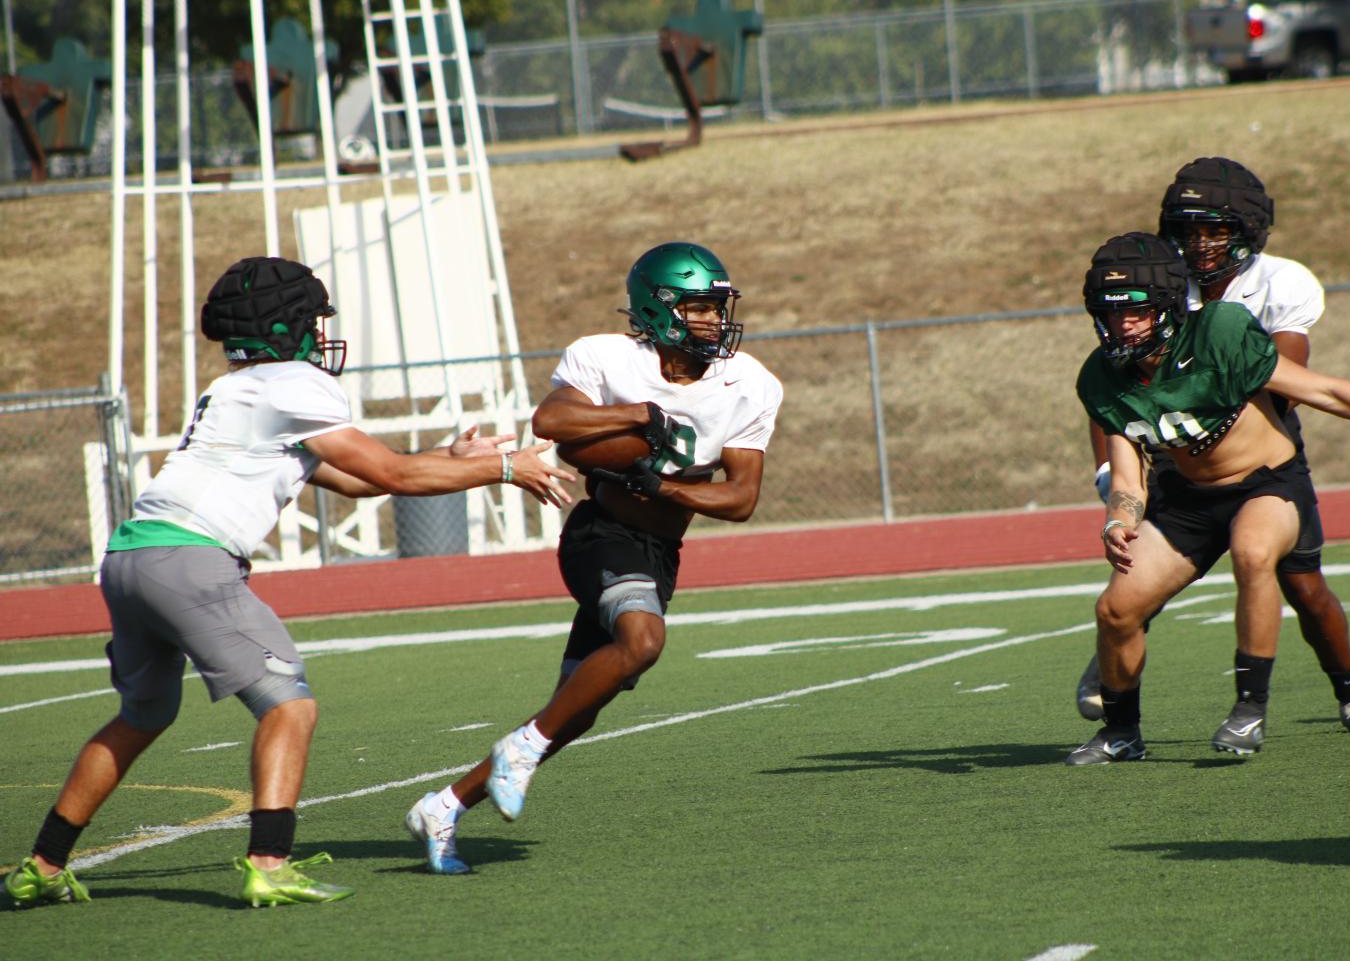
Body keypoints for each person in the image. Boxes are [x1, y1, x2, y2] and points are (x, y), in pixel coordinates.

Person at [3, 256, 574, 907]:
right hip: (192, 558)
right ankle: (270, 862)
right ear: (288, 326)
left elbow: (358, 478)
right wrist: (504, 466)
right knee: (288, 704)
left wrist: (451, 457)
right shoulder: (294, 381)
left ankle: (42, 864)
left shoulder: (239, 387)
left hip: (132, 557)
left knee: (145, 711)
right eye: (311, 318)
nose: (321, 331)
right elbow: (392, 476)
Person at [403, 241, 783, 875]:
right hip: (600, 534)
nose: (715, 321)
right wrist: (637, 415)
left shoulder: (751, 383)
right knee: (643, 641)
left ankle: (442, 806)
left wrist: (659, 484)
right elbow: (551, 422)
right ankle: (518, 749)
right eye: (699, 308)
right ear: (659, 310)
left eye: (718, 308)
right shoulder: (606, 356)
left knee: (576, 708)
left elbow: (741, 498)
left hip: (660, 549)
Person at [1067, 232, 1350, 765]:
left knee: (1254, 553)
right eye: (1111, 313)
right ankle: (1122, 733)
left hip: (1266, 482)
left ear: (1169, 307)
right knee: (1115, 609)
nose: (1123, 324)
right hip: (1188, 500)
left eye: (1138, 312)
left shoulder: (1219, 333)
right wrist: (1117, 522)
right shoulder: (1102, 376)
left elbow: (1323, 390)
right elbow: (1127, 477)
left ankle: (1249, 709)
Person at [1076, 156, 1350, 734]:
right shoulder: (1158, 280)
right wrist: (1114, 477)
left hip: (1257, 443)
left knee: (1300, 584)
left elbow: (1289, 384)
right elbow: (1114, 386)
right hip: (1174, 449)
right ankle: (1118, 654)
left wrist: (1206, 410)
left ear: (1245, 229)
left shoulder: (1281, 282)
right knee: (1141, 579)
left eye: (1213, 229)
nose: (1198, 244)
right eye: (1187, 229)